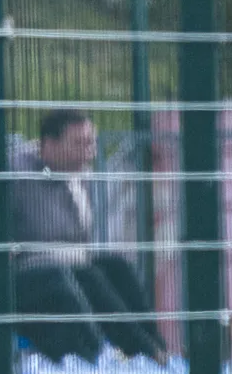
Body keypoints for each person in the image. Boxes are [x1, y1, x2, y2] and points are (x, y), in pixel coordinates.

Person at [12, 110, 165, 361]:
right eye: (79, 144)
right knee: (88, 276)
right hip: (28, 275)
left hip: (69, 265)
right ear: (49, 145)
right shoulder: (16, 173)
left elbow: (80, 238)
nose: (90, 152)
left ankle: (157, 346)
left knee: (116, 266)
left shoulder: (78, 176)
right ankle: (140, 354)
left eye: (91, 143)